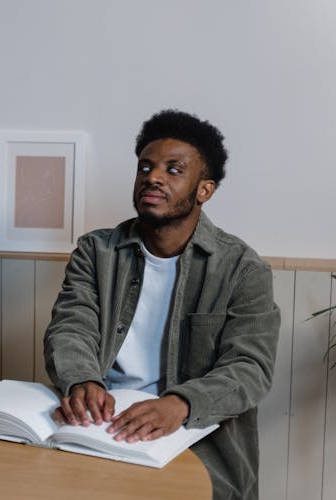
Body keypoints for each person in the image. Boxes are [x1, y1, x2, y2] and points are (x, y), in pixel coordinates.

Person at [44, 110, 280, 500]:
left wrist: (180, 404)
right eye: (146, 167)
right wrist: (83, 379)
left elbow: (250, 367)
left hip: (193, 436)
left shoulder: (243, 268)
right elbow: (71, 326)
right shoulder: (95, 250)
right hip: (101, 424)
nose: (153, 176)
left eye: (174, 170)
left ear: (204, 190)